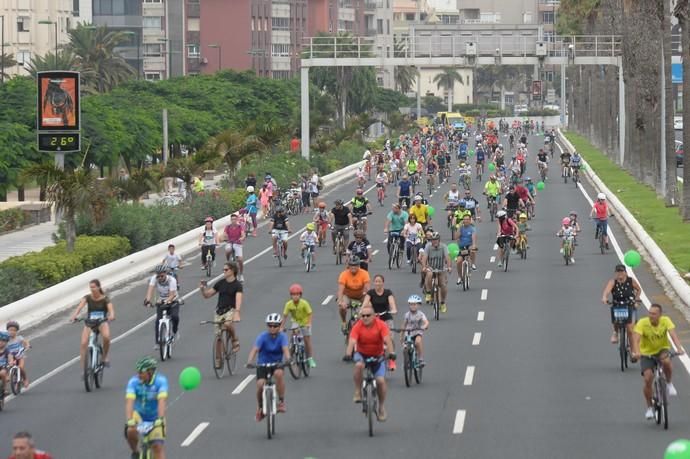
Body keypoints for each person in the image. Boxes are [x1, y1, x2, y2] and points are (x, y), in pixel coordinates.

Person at [631, 304, 684, 420]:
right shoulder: (643, 323)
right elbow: (636, 339)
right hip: (646, 353)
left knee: (666, 361)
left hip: (662, 349)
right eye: (650, 313)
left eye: (654, 314)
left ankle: (669, 383)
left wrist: (679, 348)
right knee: (648, 378)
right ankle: (649, 408)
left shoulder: (666, 321)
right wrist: (636, 352)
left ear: (660, 315)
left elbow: (673, 335)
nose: (651, 316)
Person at [343, 305, 395, 422]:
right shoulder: (357, 326)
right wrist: (347, 354)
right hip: (362, 354)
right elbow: (352, 341)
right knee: (358, 365)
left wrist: (391, 353)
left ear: (374, 316)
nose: (365, 318)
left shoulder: (381, 325)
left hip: (378, 355)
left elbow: (387, 340)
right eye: (363, 316)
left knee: (381, 381)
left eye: (368, 315)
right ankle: (357, 391)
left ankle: (381, 407)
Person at [246, 313, 291, 421]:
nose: (272, 328)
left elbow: (285, 350)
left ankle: (281, 402)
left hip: (277, 364)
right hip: (262, 364)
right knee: (260, 384)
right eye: (270, 325)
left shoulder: (282, 337)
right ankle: (260, 408)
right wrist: (249, 362)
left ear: (280, 326)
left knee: (278, 374)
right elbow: (255, 350)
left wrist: (288, 359)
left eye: (275, 326)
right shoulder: (262, 337)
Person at [125, 357, 168, 459]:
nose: (138, 375)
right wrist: (129, 419)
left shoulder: (160, 381)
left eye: (141, 372)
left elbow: (162, 401)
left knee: (157, 447)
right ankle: (135, 451)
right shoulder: (133, 382)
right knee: (130, 430)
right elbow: (129, 402)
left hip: (155, 418)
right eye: (138, 372)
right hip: (138, 416)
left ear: (150, 372)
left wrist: (160, 419)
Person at [199, 262, 243, 361]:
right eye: (223, 270)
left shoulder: (237, 285)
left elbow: (238, 299)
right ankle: (218, 359)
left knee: (227, 324)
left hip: (230, 310)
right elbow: (207, 295)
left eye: (226, 270)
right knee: (218, 336)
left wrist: (237, 312)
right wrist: (202, 289)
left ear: (232, 271)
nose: (224, 271)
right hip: (219, 311)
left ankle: (235, 339)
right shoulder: (220, 283)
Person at [69, 279, 115, 368]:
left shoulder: (105, 299)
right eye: (90, 287)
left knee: (106, 337)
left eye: (93, 287)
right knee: (83, 343)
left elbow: (111, 310)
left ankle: (104, 357)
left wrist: (111, 316)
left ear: (98, 287)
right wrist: (74, 316)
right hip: (90, 322)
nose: (92, 289)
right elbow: (79, 307)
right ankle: (83, 367)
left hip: (102, 321)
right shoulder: (87, 297)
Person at [362, 274, 398, 370]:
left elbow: (392, 303)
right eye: (376, 281)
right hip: (375, 319)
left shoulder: (387, 292)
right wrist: (363, 311)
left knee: (390, 339)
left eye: (379, 281)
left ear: (383, 283)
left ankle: (391, 361)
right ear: (374, 283)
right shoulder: (370, 293)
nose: (378, 283)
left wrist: (393, 309)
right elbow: (365, 303)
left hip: (386, 318)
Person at [601, 264, 641, 344]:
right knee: (616, 320)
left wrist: (636, 298)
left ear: (625, 272)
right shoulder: (612, 282)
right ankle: (615, 332)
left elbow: (639, 289)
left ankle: (633, 349)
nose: (620, 273)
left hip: (630, 305)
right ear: (615, 273)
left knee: (630, 329)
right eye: (618, 271)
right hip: (618, 305)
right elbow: (606, 291)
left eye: (622, 271)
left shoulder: (631, 280)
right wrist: (604, 297)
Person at [280, 284, 316, 368]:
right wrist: (281, 327)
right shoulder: (288, 304)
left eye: (297, 294)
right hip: (296, 322)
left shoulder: (304, 303)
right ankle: (289, 357)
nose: (295, 296)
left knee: (307, 340)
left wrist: (309, 323)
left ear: (300, 295)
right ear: (291, 295)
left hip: (305, 322)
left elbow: (310, 313)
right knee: (293, 338)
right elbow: (284, 316)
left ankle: (309, 359)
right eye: (293, 294)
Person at [144, 265, 179, 348]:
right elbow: (150, 290)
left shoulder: (172, 280)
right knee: (158, 321)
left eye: (162, 276)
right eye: (158, 276)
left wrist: (166, 301)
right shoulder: (154, 278)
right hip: (161, 301)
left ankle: (175, 331)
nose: (160, 277)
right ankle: (157, 342)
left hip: (173, 300)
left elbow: (171, 295)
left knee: (175, 316)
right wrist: (147, 300)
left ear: (165, 273)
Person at [337, 257, 372, 333]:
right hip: (348, 296)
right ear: (348, 266)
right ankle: (344, 322)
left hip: (361, 296)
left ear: (359, 265)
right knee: (342, 307)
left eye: (355, 265)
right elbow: (340, 290)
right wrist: (340, 301)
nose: (353, 267)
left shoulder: (364, 273)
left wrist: (367, 297)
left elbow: (368, 289)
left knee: (369, 305)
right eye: (351, 265)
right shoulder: (344, 274)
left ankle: (369, 324)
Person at [420, 232, 452, 313]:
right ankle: (428, 292)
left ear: (439, 240)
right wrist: (424, 266)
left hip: (440, 269)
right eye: (432, 240)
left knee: (443, 285)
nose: (434, 241)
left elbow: (448, 257)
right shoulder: (428, 246)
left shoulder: (443, 246)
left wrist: (449, 267)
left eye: (436, 240)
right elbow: (424, 258)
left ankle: (443, 303)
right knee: (429, 274)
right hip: (431, 268)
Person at [401, 295, 430, 367]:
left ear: (418, 305)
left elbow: (426, 322)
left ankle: (420, 359)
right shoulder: (407, 315)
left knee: (418, 341)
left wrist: (424, 326)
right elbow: (404, 325)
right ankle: (406, 361)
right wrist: (401, 334)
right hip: (408, 333)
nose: (412, 306)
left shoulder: (420, 314)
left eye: (414, 304)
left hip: (417, 332)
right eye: (411, 304)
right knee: (405, 347)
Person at [219, 213, 246, 281]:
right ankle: (228, 261)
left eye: (234, 219)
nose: (233, 220)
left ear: (237, 219)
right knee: (228, 250)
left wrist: (242, 238)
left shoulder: (240, 226)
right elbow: (224, 234)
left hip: (237, 243)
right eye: (232, 219)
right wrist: (223, 238)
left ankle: (241, 274)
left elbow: (243, 234)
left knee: (240, 259)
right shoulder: (228, 227)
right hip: (230, 242)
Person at [5, 321, 29, 389]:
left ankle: (25, 379)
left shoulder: (19, 338)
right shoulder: (6, 339)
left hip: (19, 356)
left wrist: (27, 346)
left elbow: (25, 342)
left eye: (14, 330)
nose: (12, 332)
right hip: (11, 356)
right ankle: (9, 376)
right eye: (10, 330)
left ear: (17, 331)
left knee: (21, 367)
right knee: (8, 365)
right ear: (7, 330)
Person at [456, 214, 478, 279]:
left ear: (470, 220)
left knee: (472, 250)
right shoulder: (461, 228)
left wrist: (474, 245)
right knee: (458, 262)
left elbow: (473, 238)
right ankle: (460, 277)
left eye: (467, 219)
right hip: (462, 247)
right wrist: (459, 227)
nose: (466, 221)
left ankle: (472, 264)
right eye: (464, 219)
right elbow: (456, 237)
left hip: (469, 246)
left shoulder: (472, 229)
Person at [0, 331, 11, 396]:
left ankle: (4, 388)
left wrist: (11, 361)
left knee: (2, 373)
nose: (0, 342)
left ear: (6, 342)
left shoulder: (7, 350)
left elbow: (10, 357)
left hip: (3, 367)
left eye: (3, 341)